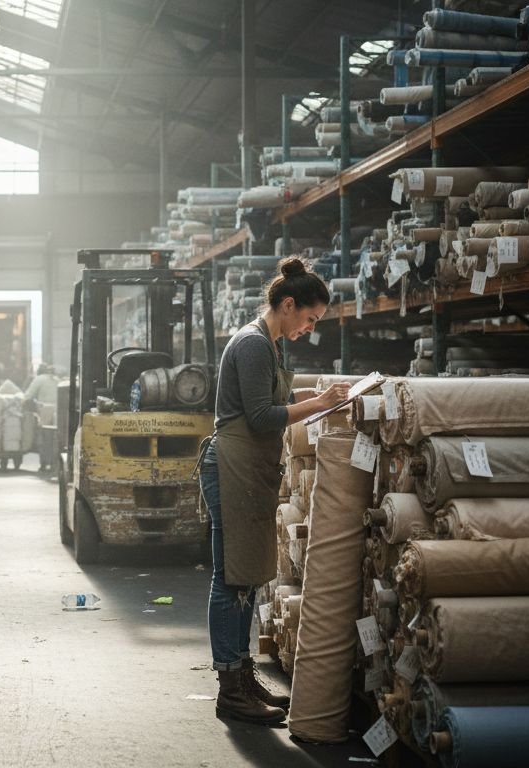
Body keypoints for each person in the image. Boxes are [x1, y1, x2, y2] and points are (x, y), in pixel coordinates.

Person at [203, 258, 351, 725]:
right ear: (288, 305)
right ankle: (231, 688)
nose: (309, 328)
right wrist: (318, 404)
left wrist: (315, 402)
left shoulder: (269, 345)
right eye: (309, 318)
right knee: (231, 579)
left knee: (245, 577)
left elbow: (272, 407)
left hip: (248, 467)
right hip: (232, 465)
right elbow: (261, 417)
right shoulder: (252, 345)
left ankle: (242, 676)